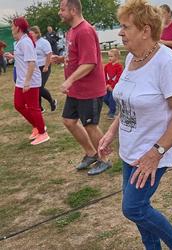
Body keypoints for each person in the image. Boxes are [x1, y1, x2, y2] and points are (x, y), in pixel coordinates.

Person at [98, 0, 172, 249]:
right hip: (131, 149)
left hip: (153, 151)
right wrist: (110, 131)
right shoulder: (131, 58)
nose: (120, 32)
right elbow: (127, 102)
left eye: (125, 27)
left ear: (145, 30)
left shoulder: (167, 63)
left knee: (133, 207)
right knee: (140, 210)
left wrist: (155, 153)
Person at [51, 0, 111, 176]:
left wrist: (69, 81)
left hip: (89, 89)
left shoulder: (84, 31)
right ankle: (91, 153)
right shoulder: (72, 31)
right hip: (77, 90)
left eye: (62, 9)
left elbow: (90, 63)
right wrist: (62, 60)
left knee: (90, 125)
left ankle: (105, 160)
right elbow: (77, 56)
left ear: (74, 10)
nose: (59, 13)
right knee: (69, 121)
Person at [4, 17, 50, 145]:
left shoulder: (26, 42)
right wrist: (13, 57)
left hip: (30, 80)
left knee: (33, 107)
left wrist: (27, 82)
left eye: (12, 26)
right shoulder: (21, 41)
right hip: (21, 80)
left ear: (18, 27)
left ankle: (43, 133)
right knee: (18, 105)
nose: (11, 28)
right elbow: (24, 58)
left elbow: (31, 63)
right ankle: (37, 126)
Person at [29, 26, 57, 113]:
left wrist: (46, 66)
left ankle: (52, 102)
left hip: (44, 67)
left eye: (31, 33)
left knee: (39, 87)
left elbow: (49, 54)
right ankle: (39, 108)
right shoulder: (30, 42)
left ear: (37, 33)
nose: (30, 35)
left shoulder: (44, 42)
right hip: (35, 68)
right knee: (35, 87)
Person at [104, 48, 123, 119]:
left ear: (117, 57)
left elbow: (118, 78)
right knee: (105, 98)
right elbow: (104, 76)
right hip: (107, 86)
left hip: (114, 87)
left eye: (111, 56)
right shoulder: (106, 66)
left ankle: (112, 113)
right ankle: (114, 108)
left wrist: (112, 86)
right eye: (109, 56)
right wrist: (106, 85)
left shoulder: (119, 67)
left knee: (111, 99)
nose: (109, 58)